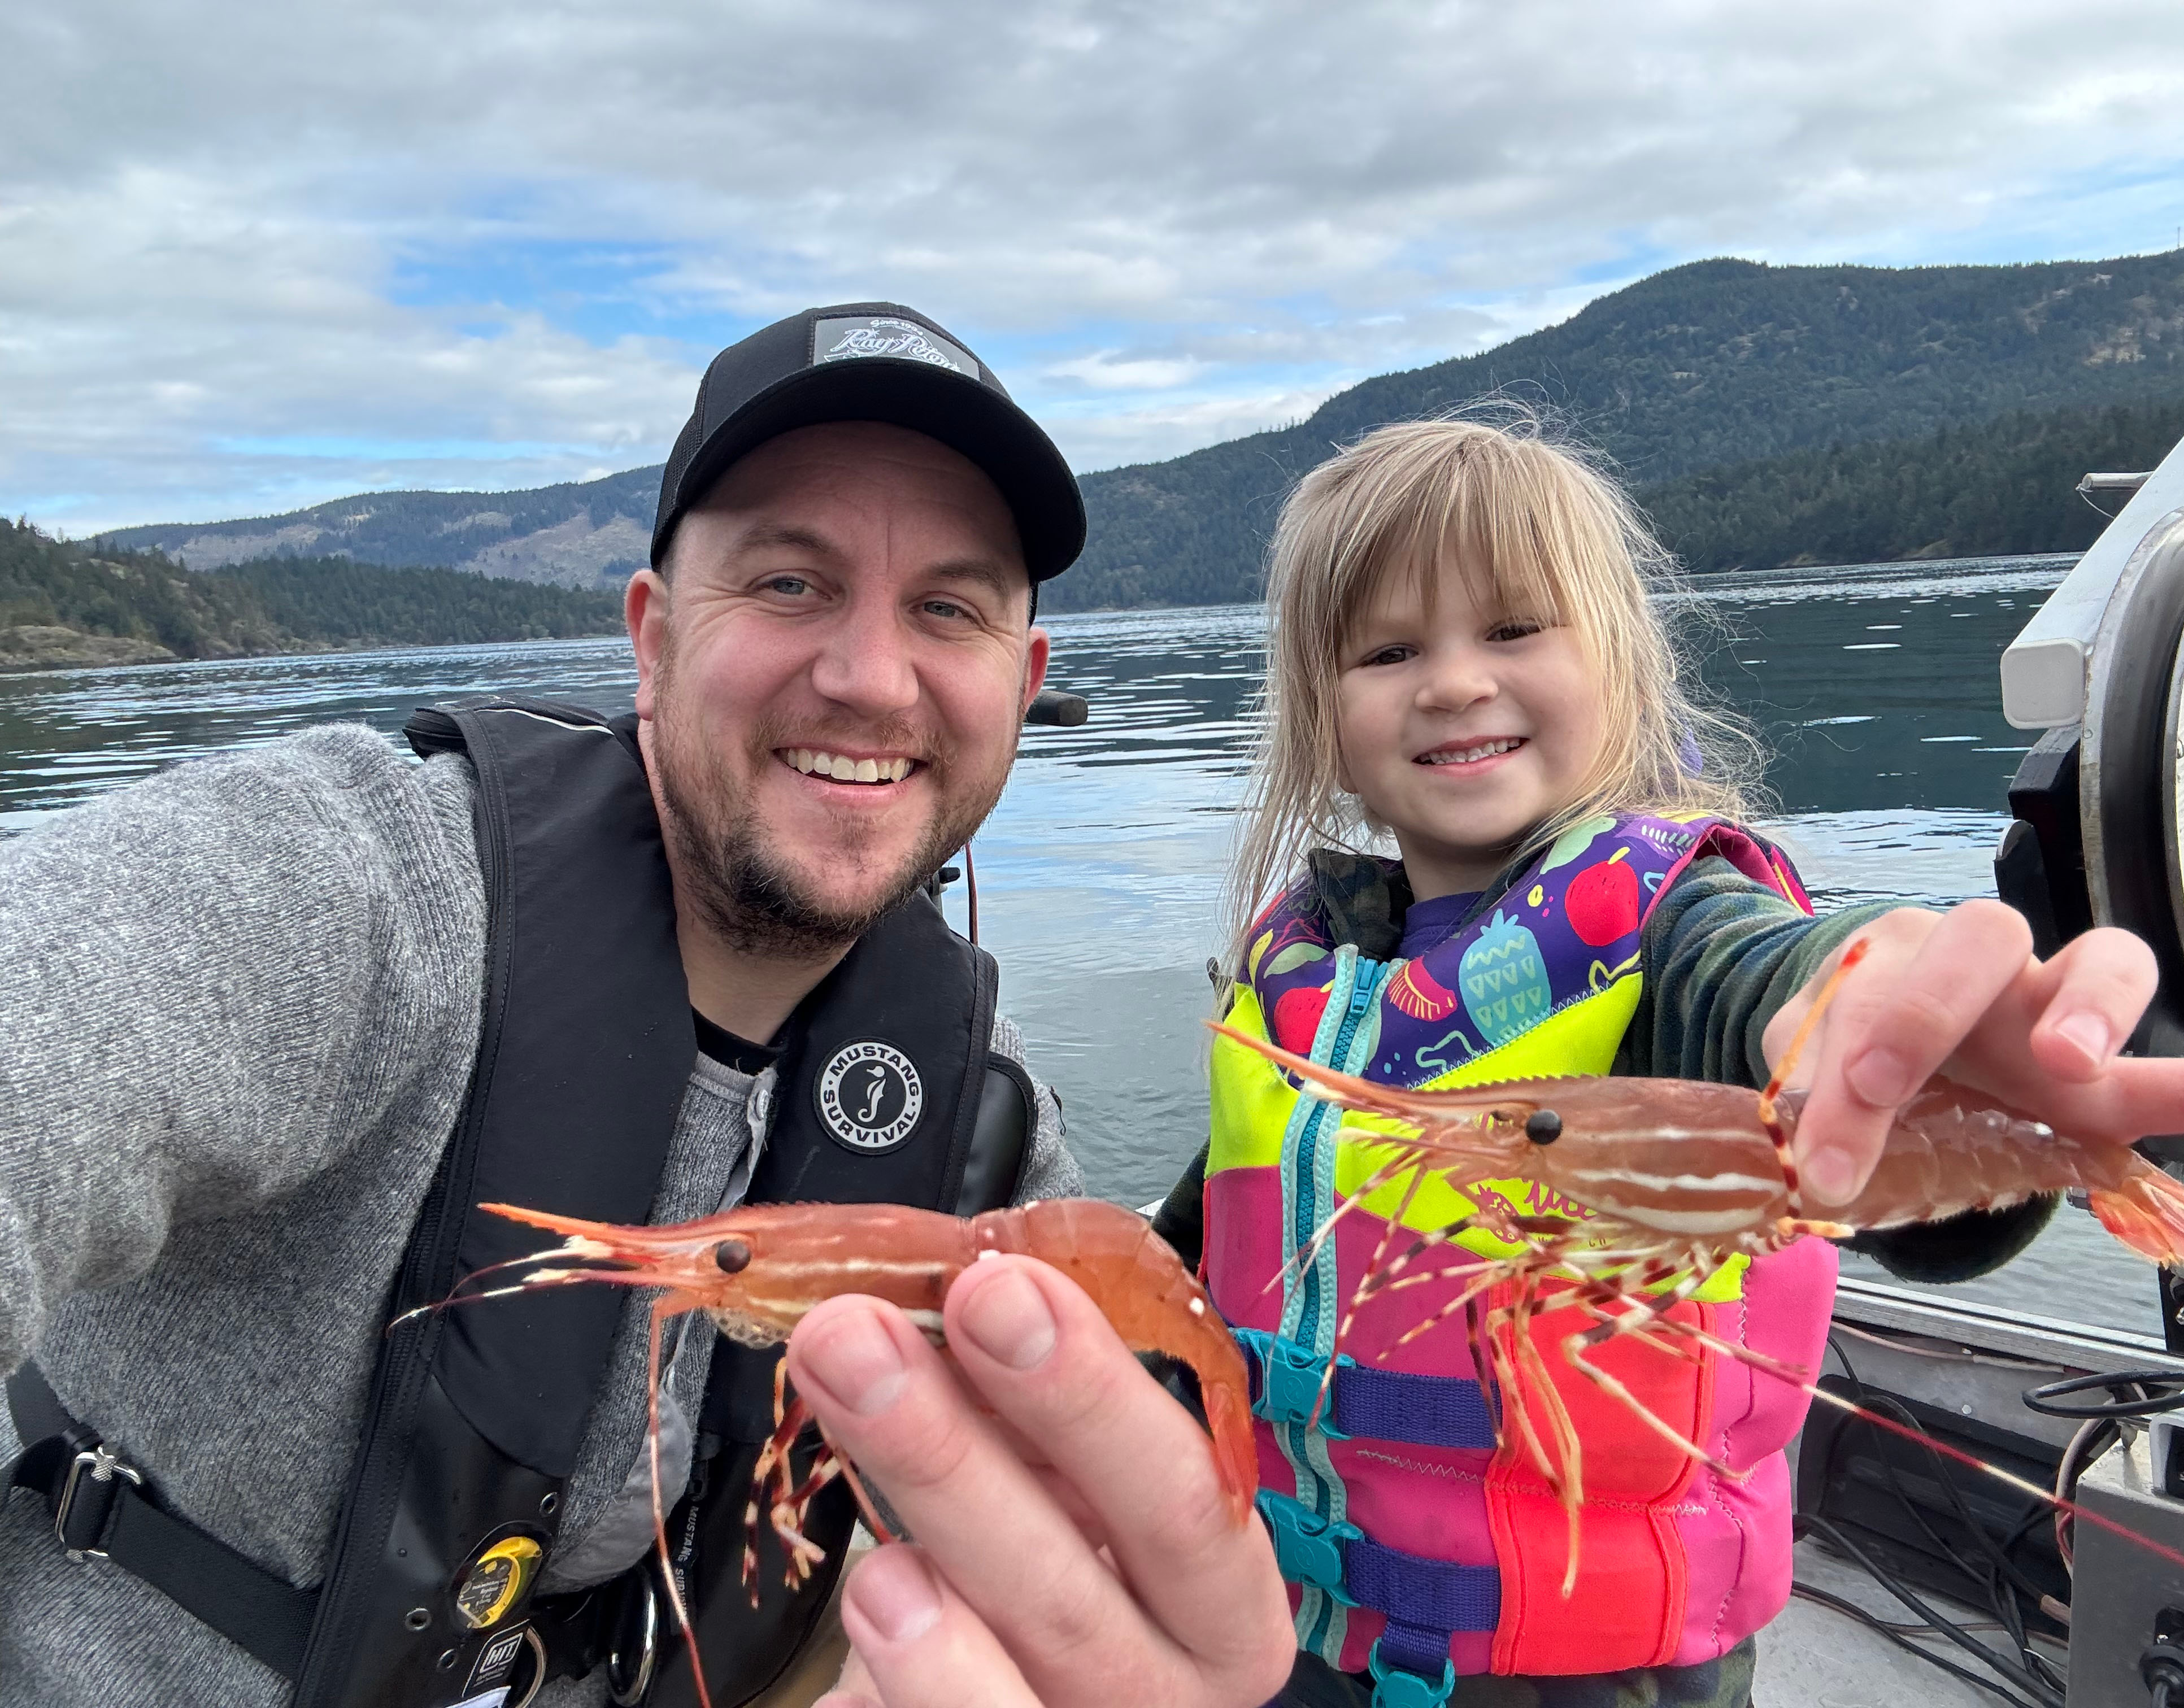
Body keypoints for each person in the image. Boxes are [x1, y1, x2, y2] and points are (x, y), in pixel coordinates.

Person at [0, 303, 1294, 1708]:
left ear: (1023, 684)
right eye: (789, 585)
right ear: (653, 637)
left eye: (950, 607)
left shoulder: (983, 1123)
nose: (868, 678)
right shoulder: (352, 889)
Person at [1149, 416, 2184, 1708]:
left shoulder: (1672, 927)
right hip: (1298, 1628)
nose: (1454, 682)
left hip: (1600, 1668)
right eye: (1391, 651)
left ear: (1620, 668)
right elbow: (1227, 1228)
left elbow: (1781, 978)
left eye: (1514, 632)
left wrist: (1885, 1023)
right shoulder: (1306, 970)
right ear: (1322, 715)